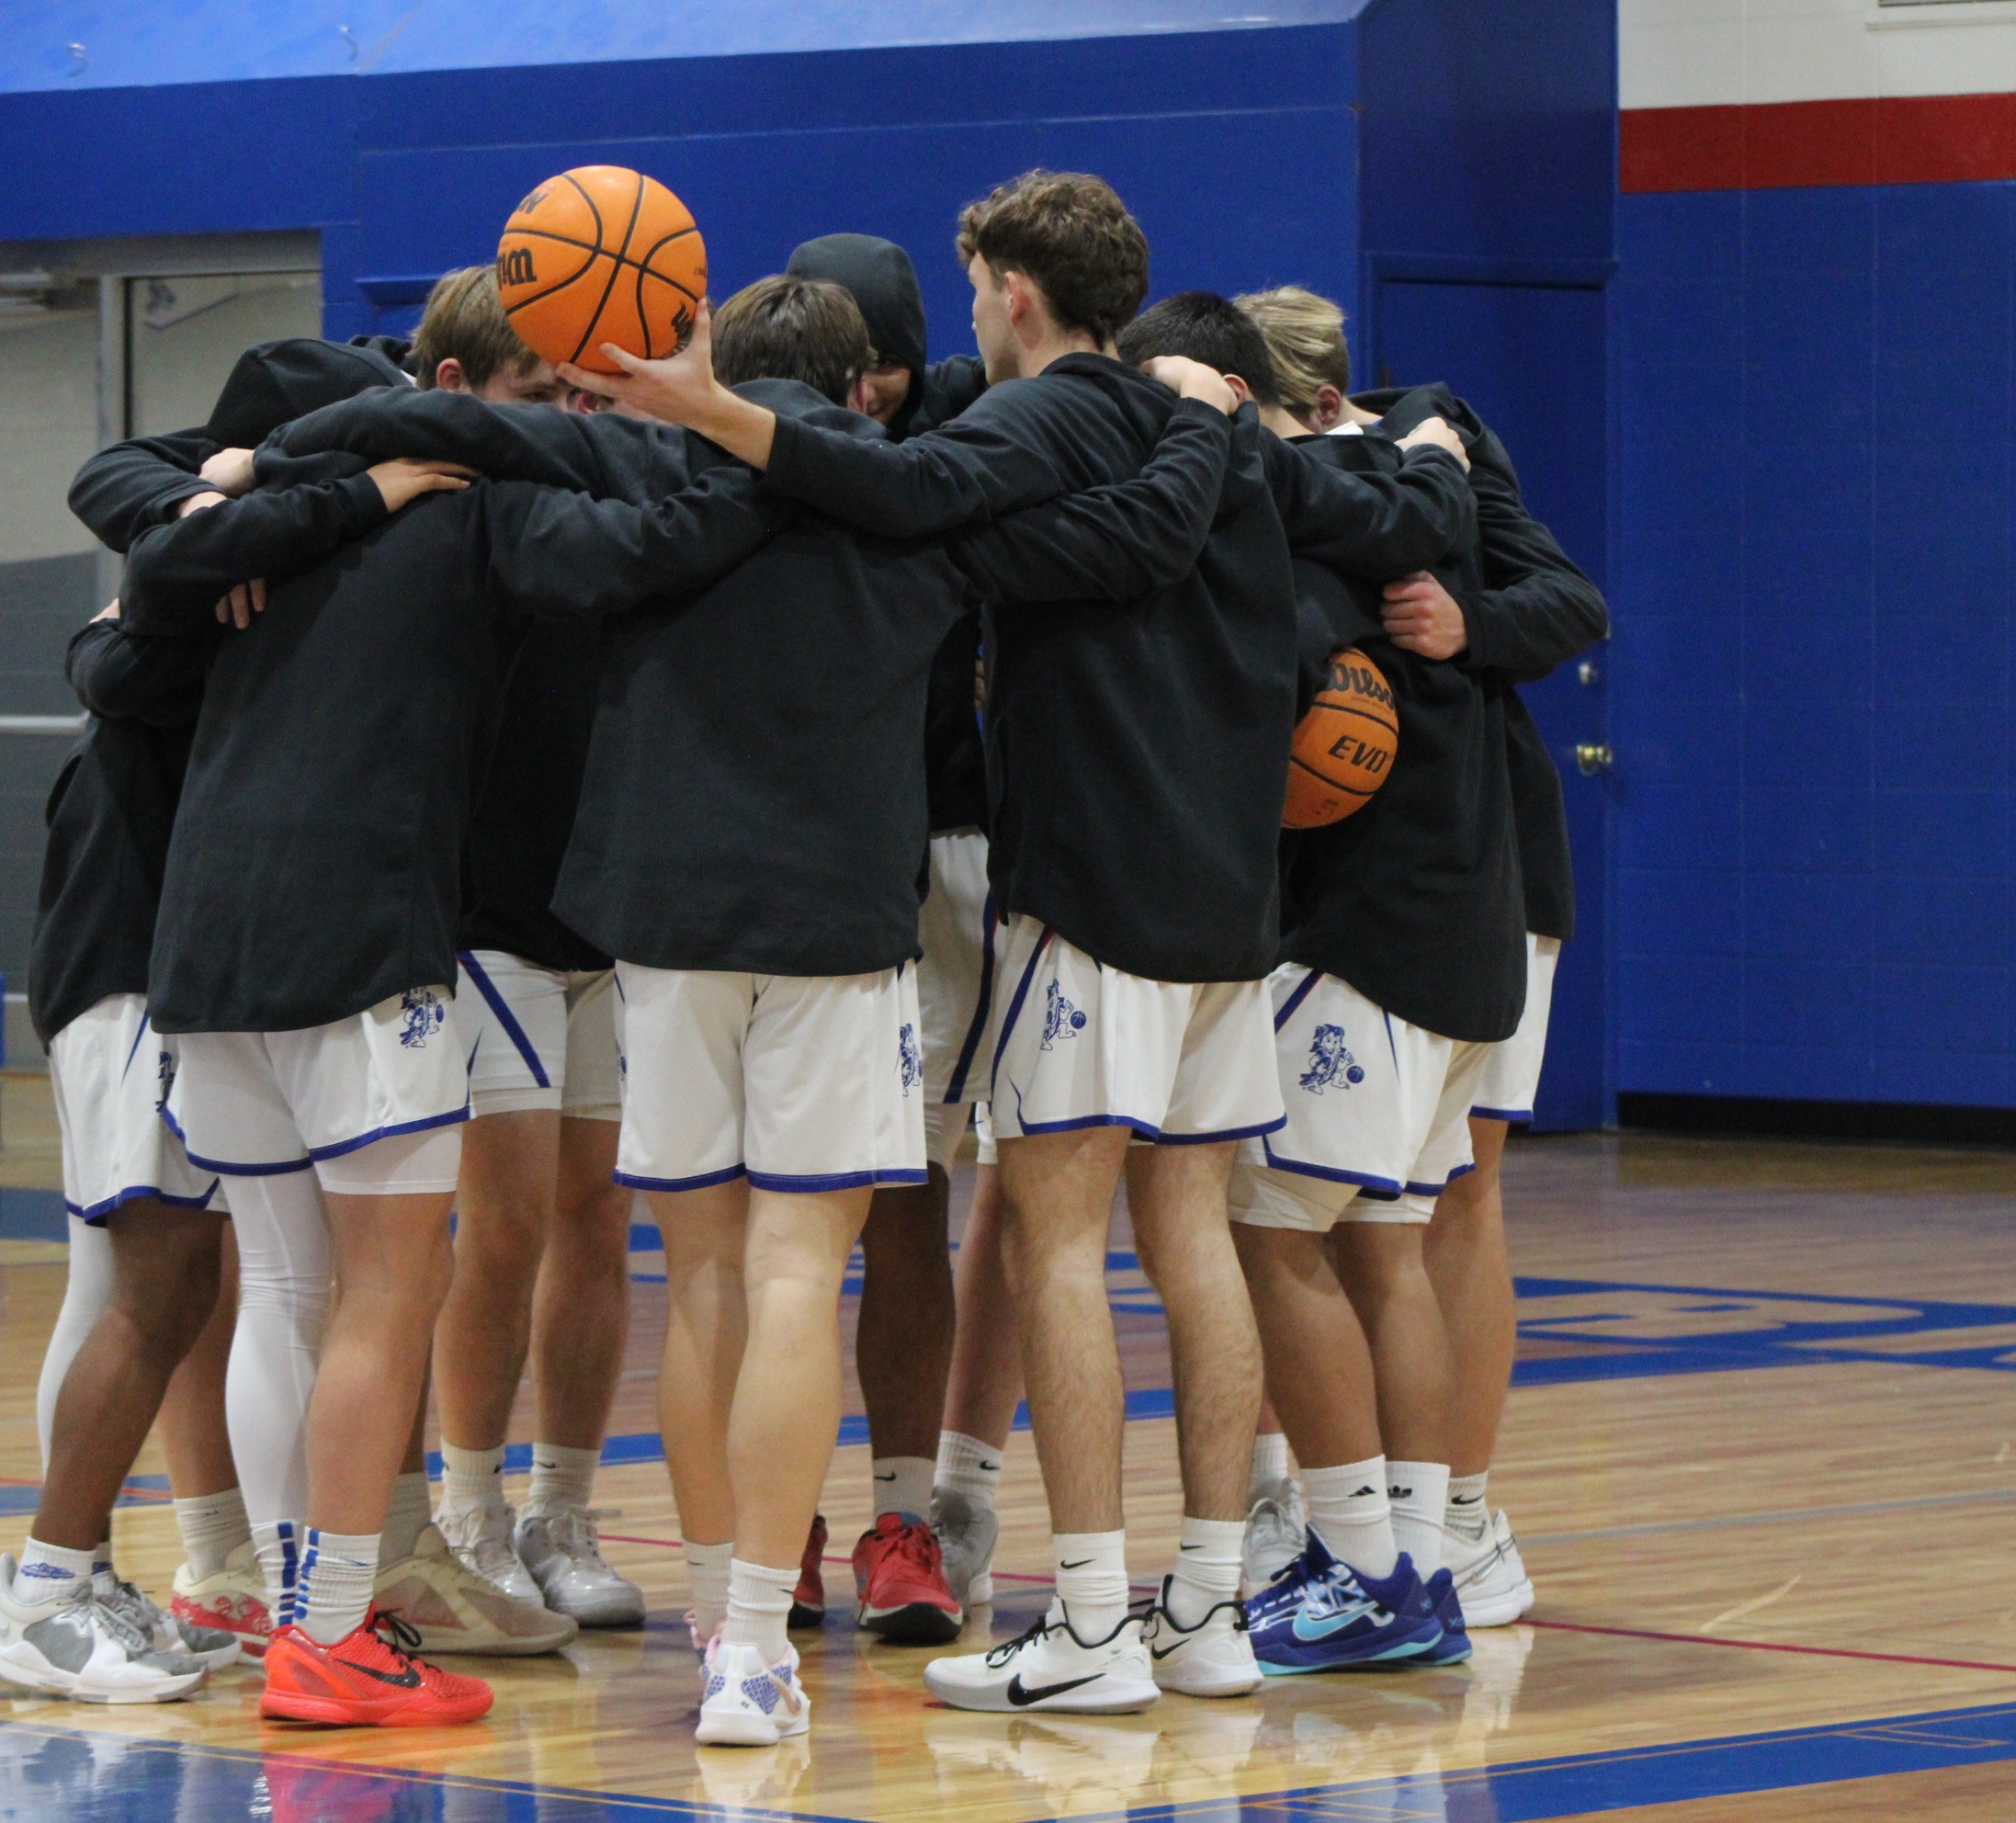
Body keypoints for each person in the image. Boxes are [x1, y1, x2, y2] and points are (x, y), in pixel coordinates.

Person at [262, 266, 1245, 1745]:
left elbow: (445, 429)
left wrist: (262, 467)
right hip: (843, 924)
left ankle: (727, 1605)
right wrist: (1197, 425)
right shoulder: (920, 498)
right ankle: (747, 1657)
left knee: (705, 1283)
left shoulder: (644, 468)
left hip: (663, 927)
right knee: (798, 1278)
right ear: (864, 391)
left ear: (712, 355)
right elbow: (1139, 537)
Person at [573, 172, 1476, 1717]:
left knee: (1053, 1239)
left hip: (1098, 884)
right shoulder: (1231, 447)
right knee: (1193, 1243)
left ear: (1009, 296)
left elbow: (907, 498)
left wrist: (712, 411)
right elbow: (1352, 546)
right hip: (1230, 905)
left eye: (979, 282)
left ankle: (1090, 1619)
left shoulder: (1047, 419)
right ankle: (1198, 1606)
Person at [120, 345, 800, 1729]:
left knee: (283, 1286)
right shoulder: (475, 504)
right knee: (385, 1290)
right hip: (361, 919)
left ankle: (264, 1601)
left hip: (204, 930)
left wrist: (255, 483)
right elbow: (660, 542)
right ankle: (330, 1637)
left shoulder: (235, 530)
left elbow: (137, 563)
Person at [0, 339, 413, 1701]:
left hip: (135, 968)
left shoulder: (214, 577)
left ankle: (68, 1576)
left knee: (133, 1289)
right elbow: (115, 657)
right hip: (131, 975)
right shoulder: (192, 602)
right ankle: (49, 1583)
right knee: (155, 1293)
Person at [1251, 287, 1609, 1629]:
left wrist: (1473, 630)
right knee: (1354, 1212)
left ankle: (1456, 1519)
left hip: (1486, 864)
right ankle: (1342, 1513)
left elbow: (1570, 599)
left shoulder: (1442, 436)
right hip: (1357, 877)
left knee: (1447, 1197)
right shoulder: (1328, 488)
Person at [1222, 287, 1518, 1675]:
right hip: (1459, 926)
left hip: (1371, 938)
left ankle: (1357, 1559)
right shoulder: (1419, 482)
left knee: (1268, 1232)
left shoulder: (1326, 513)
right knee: (1381, 1246)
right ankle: (1419, 1561)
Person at [402, 269, 648, 1633]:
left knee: (599, 1216)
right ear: (458, 395)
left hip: (604, 909)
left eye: (579, 396)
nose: (566, 421)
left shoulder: (607, 499)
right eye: (539, 398)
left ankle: (563, 1510)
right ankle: (467, 1510)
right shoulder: (432, 513)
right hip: (481, 912)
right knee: (499, 1226)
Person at [776, 232, 991, 1643]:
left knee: (914, 1199)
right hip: (775, 865)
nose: (874, 402)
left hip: (943, 852)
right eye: (853, 380)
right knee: (767, 1228)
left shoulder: (974, 429)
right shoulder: (743, 438)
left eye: (894, 378)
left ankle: (905, 1522)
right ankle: (772, 1521)